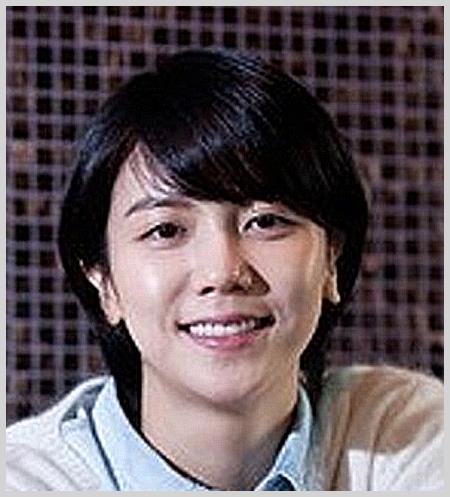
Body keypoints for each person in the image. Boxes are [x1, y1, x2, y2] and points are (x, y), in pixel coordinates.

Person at [6, 49, 443, 491]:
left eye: (266, 222)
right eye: (165, 230)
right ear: (104, 282)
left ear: (331, 258)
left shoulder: (405, 438)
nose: (223, 271)